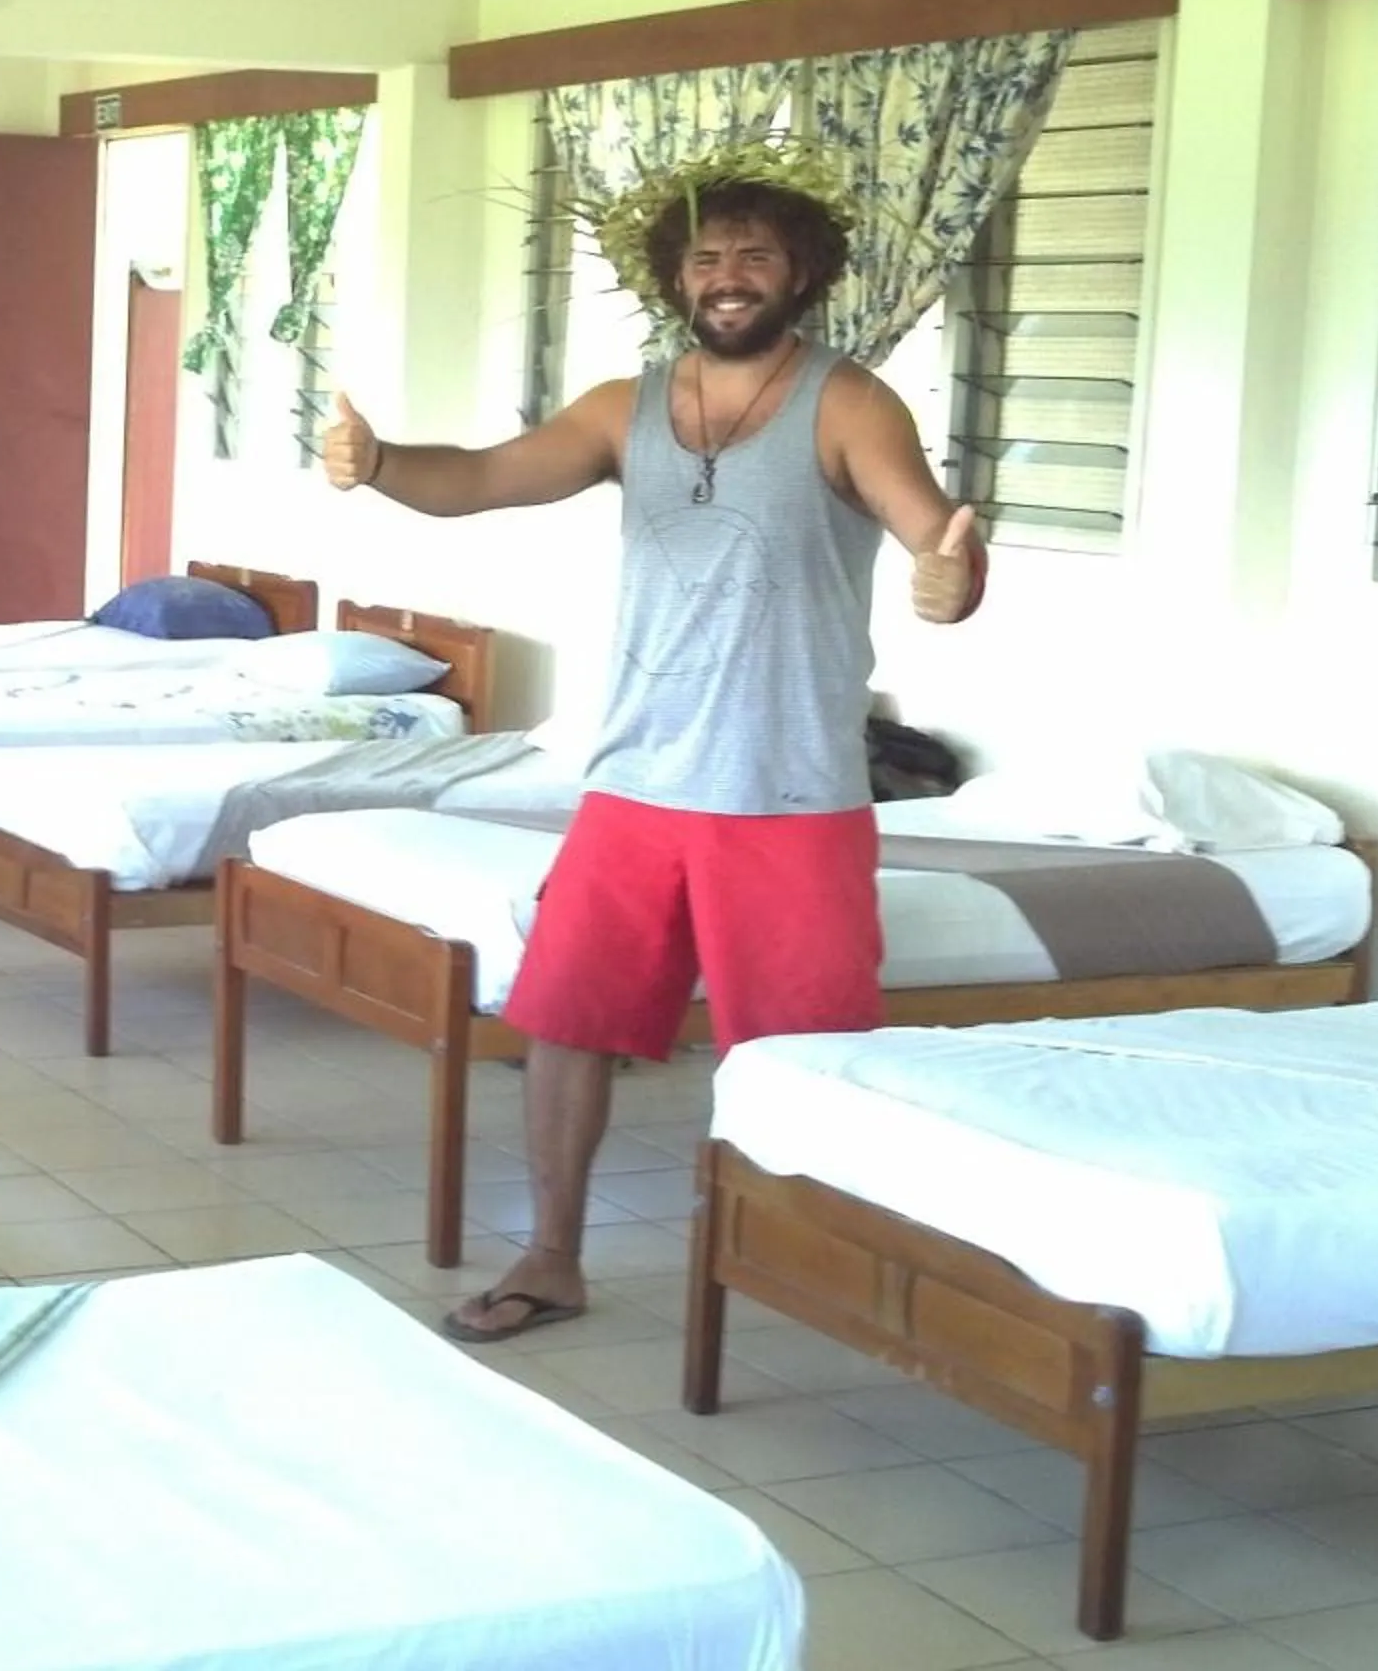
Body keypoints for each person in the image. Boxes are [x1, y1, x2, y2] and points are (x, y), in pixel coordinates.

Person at [318, 150, 985, 1343]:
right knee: (568, 1020)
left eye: (756, 258)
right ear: (676, 276)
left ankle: (806, 1265)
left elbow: (931, 531)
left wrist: (951, 577)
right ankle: (551, 1257)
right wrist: (380, 468)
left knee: (799, 1047)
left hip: (786, 792)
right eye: (708, 258)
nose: (729, 278)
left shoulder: (847, 403)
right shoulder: (621, 408)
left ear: (802, 275)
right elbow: (481, 479)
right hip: (635, 781)